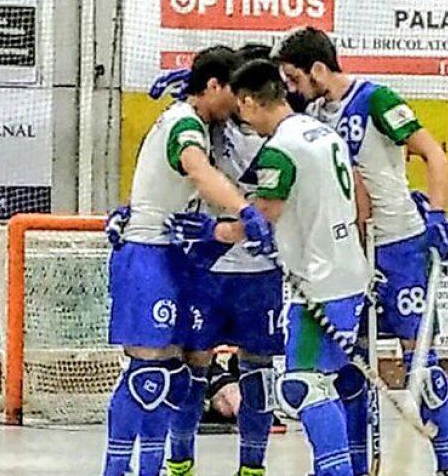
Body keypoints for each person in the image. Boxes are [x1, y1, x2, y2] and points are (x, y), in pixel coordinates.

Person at [273, 27, 448, 476]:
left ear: (319, 70)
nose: (291, 89)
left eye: (295, 78)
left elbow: (434, 154)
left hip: (399, 245)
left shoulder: (376, 99)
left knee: (422, 365)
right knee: (350, 368)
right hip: (351, 255)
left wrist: (436, 215)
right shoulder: (313, 114)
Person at [172, 59, 371, 476]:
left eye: (240, 111)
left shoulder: (280, 150)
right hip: (348, 271)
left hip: (319, 282)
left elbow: (263, 215)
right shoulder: (323, 134)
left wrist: (214, 231)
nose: (241, 121)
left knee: (304, 385)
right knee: (330, 380)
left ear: (248, 101)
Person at [103, 46, 274, 476]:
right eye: (231, 92)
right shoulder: (184, 122)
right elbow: (196, 169)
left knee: (175, 375)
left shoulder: (198, 117)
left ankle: (153, 468)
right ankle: (116, 468)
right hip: (149, 254)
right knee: (149, 371)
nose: (238, 103)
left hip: (179, 256)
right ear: (214, 86)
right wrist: (245, 211)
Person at [153, 44, 284, 476]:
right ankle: (180, 461)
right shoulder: (209, 122)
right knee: (192, 365)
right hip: (208, 265)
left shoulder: (286, 126)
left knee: (258, 369)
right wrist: (183, 89)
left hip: (260, 269)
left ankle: (252, 466)